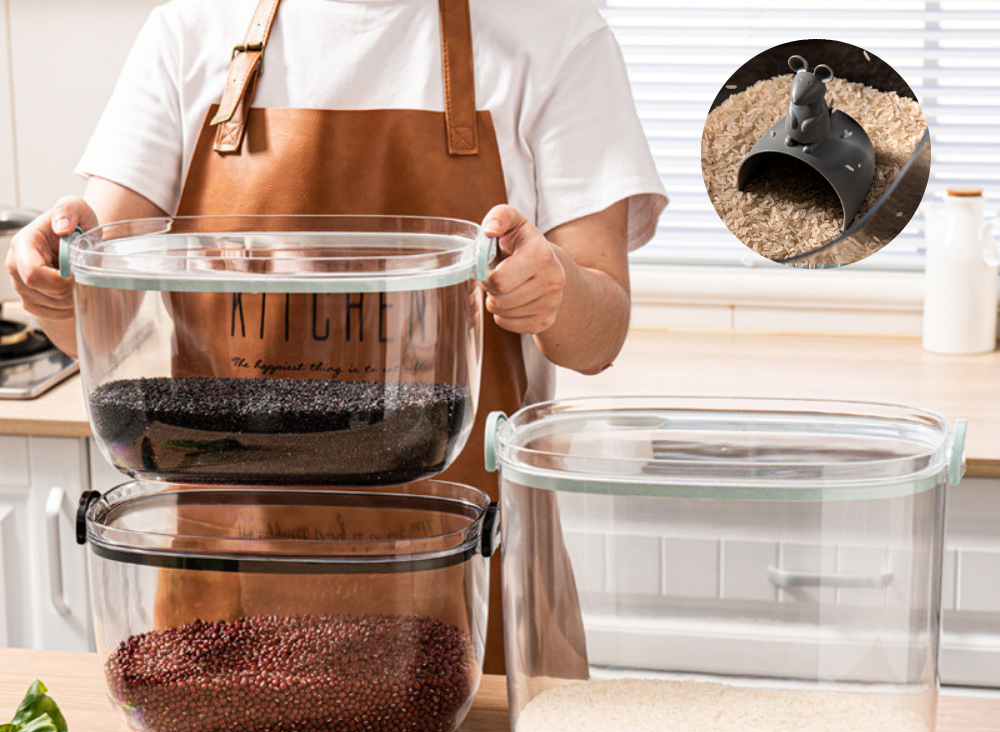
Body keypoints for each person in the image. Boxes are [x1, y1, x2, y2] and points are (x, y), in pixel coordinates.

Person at [6, 0, 667, 675]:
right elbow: (95, 311)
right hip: (230, 600)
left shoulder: (554, 32)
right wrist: (51, 285)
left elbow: (598, 335)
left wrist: (553, 289)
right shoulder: (193, 28)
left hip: (465, 584)